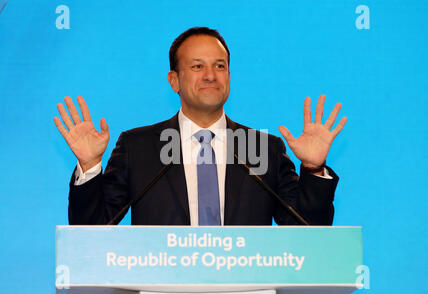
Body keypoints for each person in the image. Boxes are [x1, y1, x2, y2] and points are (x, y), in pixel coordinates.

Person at [53, 27, 347, 226]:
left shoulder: (262, 148)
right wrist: (89, 165)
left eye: (220, 66)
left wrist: (312, 169)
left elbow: (307, 231)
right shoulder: (138, 147)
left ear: (229, 77)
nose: (210, 75)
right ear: (174, 81)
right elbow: (91, 232)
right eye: (197, 66)